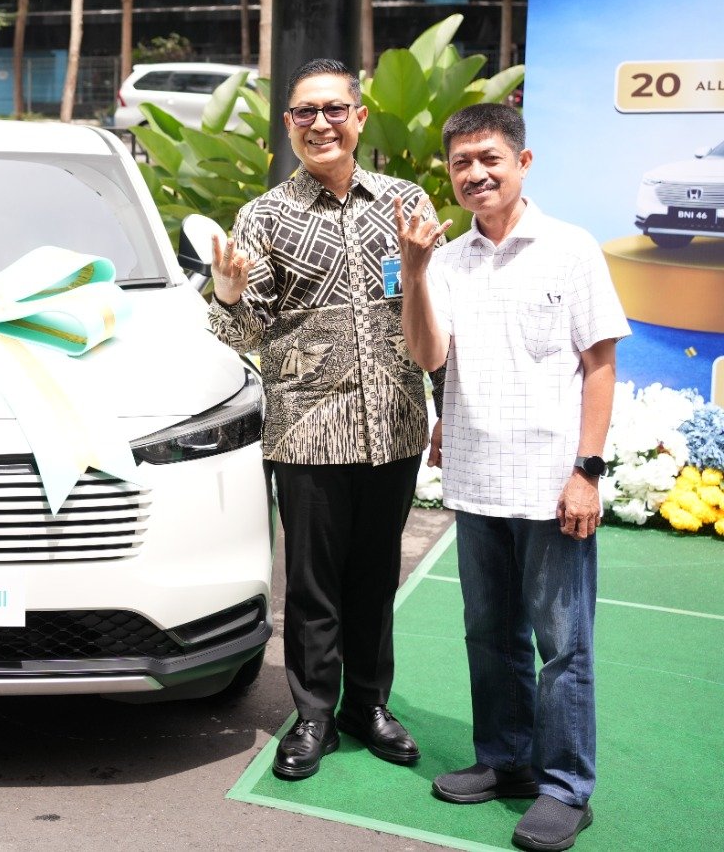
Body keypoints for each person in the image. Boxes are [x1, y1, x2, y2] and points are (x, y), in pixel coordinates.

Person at [397, 103, 625, 852]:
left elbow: (599, 365)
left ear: (523, 163)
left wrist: (587, 471)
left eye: (489, 158)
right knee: (489, 636)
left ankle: (566, 788)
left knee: (563, 645)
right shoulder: (448, 260)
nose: (476, 174)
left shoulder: (570, 248)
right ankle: (507, 761)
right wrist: (414, 270)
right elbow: (430, 356)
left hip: (552, 484)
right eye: (461, 163)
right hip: (477, 481)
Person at [209, 58, 437, 780]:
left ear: (360, 117)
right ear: (289, 124)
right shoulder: (264, 216)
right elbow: (240, 334)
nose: (320, 124)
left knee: (375, 576)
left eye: (334, 109)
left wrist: (447, 406)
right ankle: (313, 715)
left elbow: (438, 311)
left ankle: (367, 705)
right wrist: (228, 294)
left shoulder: (404, 203)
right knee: (311, 586)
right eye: (305, 112)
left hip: (394, 422)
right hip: (307, 429)